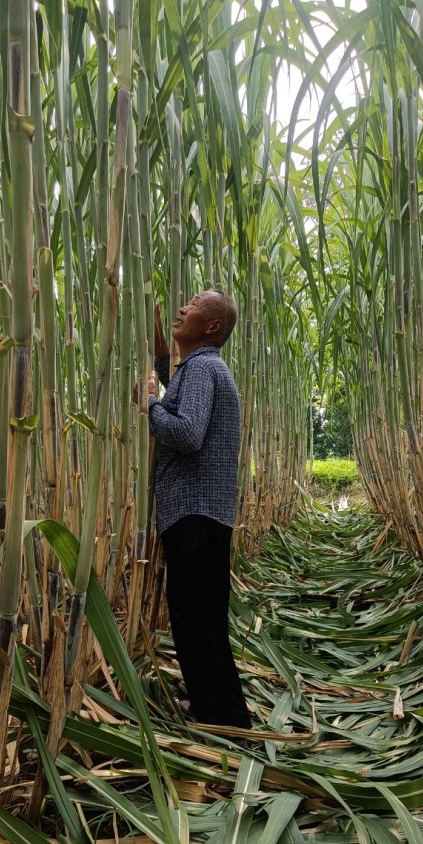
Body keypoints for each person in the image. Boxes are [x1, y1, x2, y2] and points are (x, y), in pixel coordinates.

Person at [140, 290, 251, 730]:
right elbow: (178, 383)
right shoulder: (198, 369)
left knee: (195, 619)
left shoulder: (204, 367)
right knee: (201, 618)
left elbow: (187, 432)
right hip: (203, 514)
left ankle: (224, 718)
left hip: (194, 513)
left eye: (194, 305)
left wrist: (149, 404)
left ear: (212, 328)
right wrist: (157, 341)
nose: (182, 306)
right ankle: (217, 709)